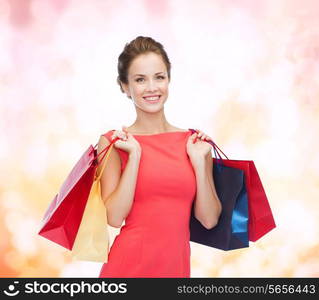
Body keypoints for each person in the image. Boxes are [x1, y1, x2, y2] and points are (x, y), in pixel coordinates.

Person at [97, 36, 222, 278]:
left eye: (159, 77)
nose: (152, 87)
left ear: (169, 80)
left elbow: (208, 220)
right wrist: (134, 157)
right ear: (124, 86)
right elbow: (114, 217)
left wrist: (198, 163)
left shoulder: (194, 143)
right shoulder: (115, 142)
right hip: (126, 272)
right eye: (140, 79)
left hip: (175, 272)